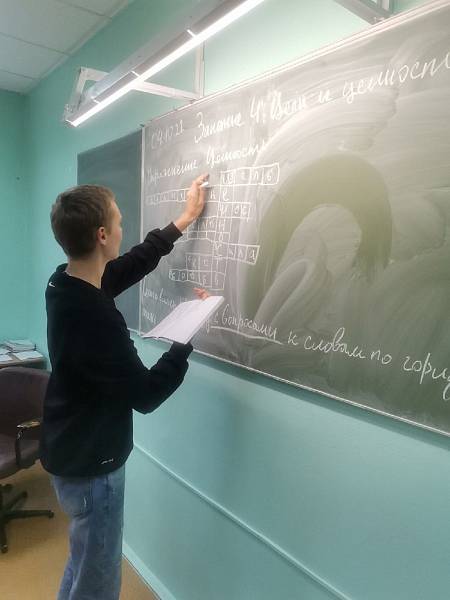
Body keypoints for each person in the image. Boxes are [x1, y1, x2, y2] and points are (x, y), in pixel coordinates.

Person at [40, 174, 208, 600]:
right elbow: (146, 394)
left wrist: (184, 219)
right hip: (93, 467)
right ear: (102, 235)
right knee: (98, 580)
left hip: (69, 451)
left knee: (83, 561)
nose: (122, 227)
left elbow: (128, 265)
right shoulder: (96, 317)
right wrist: (185, 338)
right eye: (118, 221)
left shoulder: (65, 283)